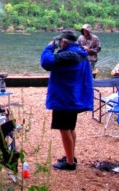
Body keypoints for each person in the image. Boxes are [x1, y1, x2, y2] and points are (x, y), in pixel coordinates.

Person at [40, 29, 94, 171]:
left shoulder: (69, 55)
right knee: (70, 128)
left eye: (60, 41)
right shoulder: (80, 52)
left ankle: (70, 163)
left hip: (64, 98)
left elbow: (46, 62)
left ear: (64, 42)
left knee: (64, 129)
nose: (59, 43)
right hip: (73, 96)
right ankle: (70, 156)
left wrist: (49, 47)